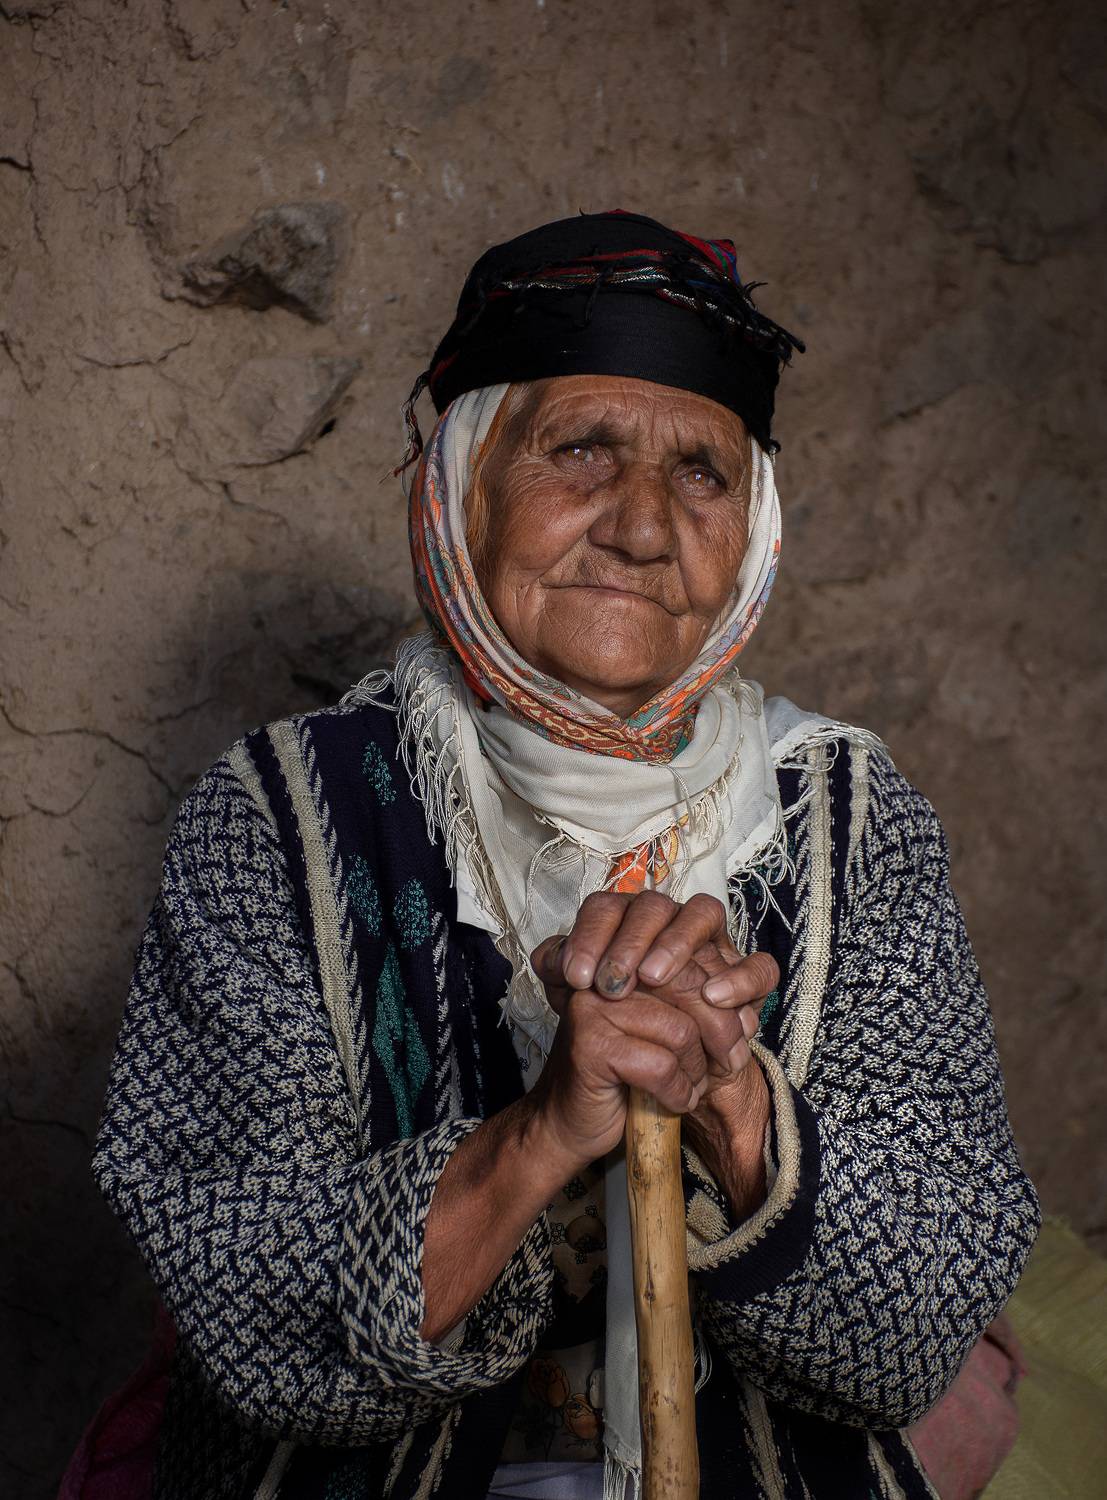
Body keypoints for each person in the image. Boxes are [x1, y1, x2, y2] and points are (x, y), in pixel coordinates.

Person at [84, 211, 1040, 1500]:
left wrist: (729, 1104)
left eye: (701, 471)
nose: (643, 528)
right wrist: (539, 1134)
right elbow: (251, 1323)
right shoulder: (280, 815)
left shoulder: (851, 821)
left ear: (750, 530)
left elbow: (918, 1330)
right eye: (579, 449)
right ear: (464, 484)